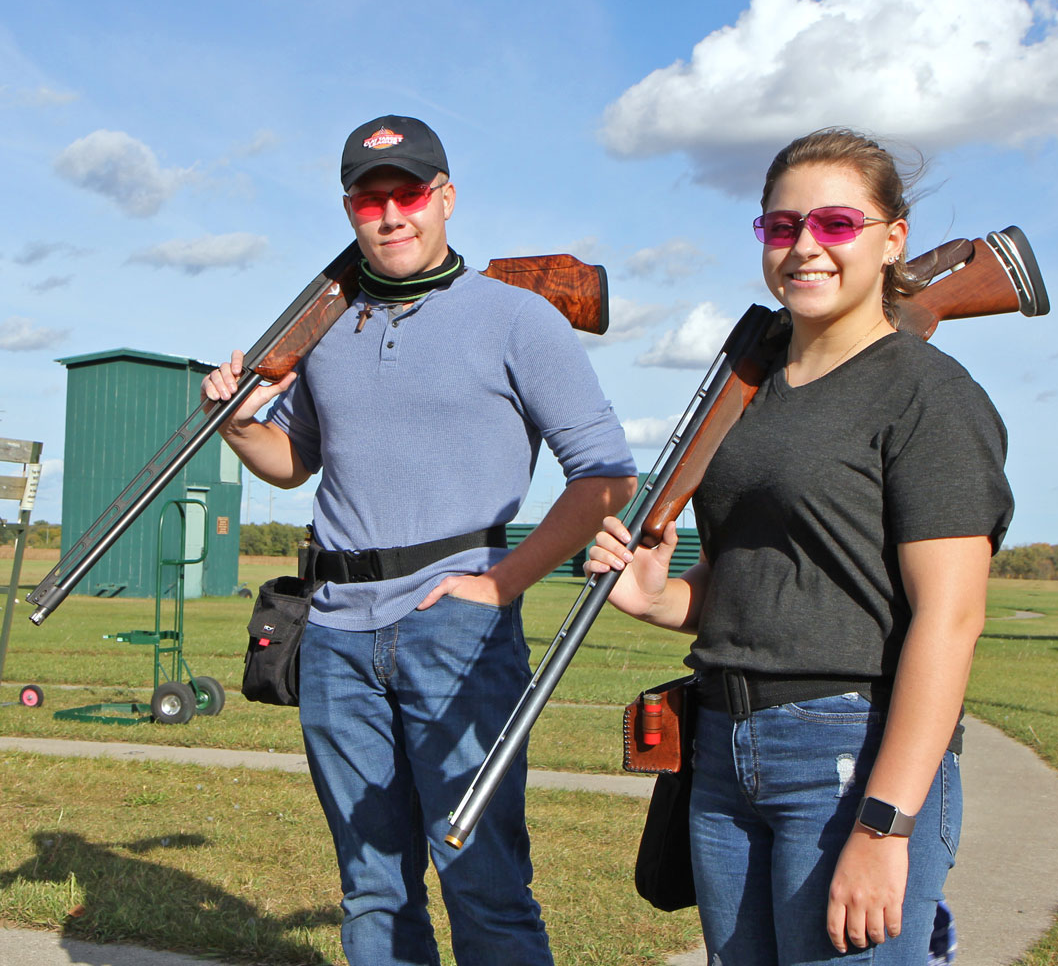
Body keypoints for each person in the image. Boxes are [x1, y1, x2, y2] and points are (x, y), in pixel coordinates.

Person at [202, 114, 637, 966]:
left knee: (482, 876)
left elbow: (605, 476)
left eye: (408, 193)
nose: (391, 213)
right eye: (371, 199)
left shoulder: (520, 317)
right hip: (332, 629)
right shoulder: (325, 328)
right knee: (370, 886)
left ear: (444, 200)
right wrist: (236, 421)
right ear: (349, 210)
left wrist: (504, 583)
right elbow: (292, 463)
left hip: (455, 626)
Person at [586, 128, 1012, 965]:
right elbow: (741, 586)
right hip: (722, 747)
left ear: (894, 240)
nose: (805, 247)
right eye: (781, 228)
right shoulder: (751, 389)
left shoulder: (929, 395)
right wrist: (654, 594)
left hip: (846, 751)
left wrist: (885, 825)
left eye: (836, 224)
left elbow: (949, 621)